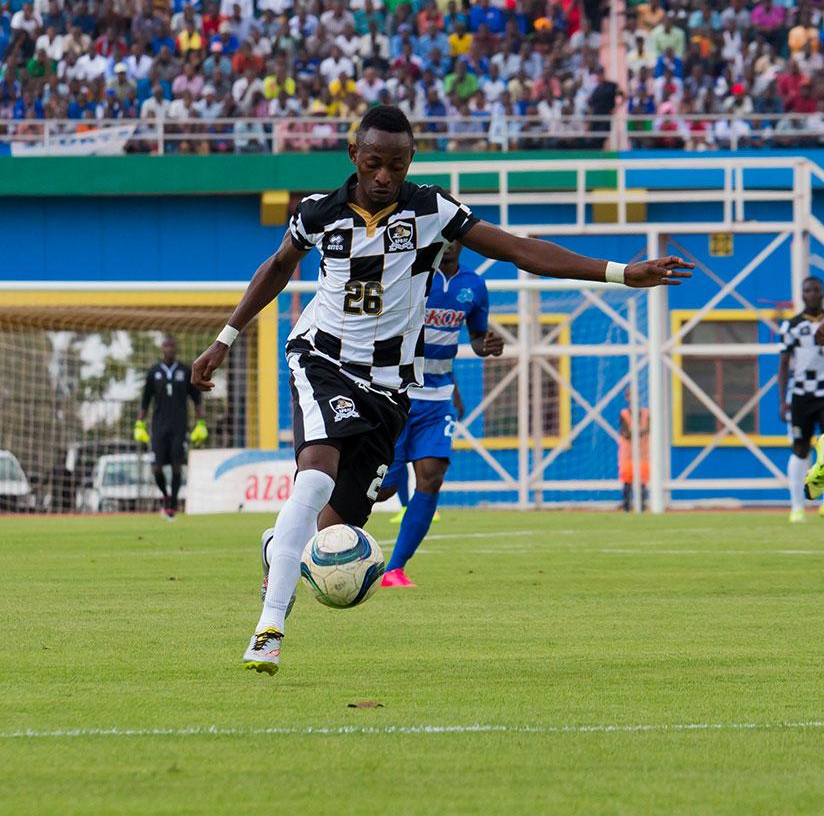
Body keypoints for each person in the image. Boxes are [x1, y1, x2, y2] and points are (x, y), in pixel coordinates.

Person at [190, 105, 693, 675]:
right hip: (322, 359)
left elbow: (516, 248)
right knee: (315, 473)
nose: (384, 176)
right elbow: (277, 267)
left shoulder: (432, 209)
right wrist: (226, 339)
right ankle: (269, 629)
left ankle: (276, 544)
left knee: (334, 531)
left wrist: (620, 273)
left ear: (410, 163)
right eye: (374, 163)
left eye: (397, 165)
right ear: (354, 157)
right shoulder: (318, 212)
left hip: (389, 388)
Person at [377, 241, 504, 587]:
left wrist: (486, 345)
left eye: (452, 239)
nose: (446, 246)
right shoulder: (413, 275)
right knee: (383, 488)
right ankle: (326, 534)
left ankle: (395, 569)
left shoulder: (474, 284)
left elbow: (476, 336)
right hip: (397, 393)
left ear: (462, 241)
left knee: (431, 476)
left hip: (438, 397)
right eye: (440, 238)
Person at [134, 335, 208, 519]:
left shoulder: (184, 370)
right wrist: (139, 424)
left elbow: (196, 399)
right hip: (158, 427)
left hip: (179, 427)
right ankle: (165, 494)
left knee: (176, 467)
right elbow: (145, 401)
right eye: (166, 346)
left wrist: (201, 423)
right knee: (157, 468)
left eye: (171, 346)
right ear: (162, 348)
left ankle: (172, 504)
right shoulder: (154, 372)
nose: (168, 349)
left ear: (176, 348)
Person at [777, 278, 824, 522]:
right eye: (808, 290)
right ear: (803, 295)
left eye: (816, 289)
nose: (812, 294)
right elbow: (784, 364)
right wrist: (782, 401)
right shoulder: (791, 325)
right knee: (800, 449)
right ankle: (797, 507)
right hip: (801, 395)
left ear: (822, 293)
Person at [617, 386, 649, 511]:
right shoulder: (624, 414)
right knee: (628, 481)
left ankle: (642, 506)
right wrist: (640, 432)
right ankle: (626, 506)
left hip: (643, 452)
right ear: (627, 398)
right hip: (627, 454)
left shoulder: (646, 413)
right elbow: (625, 433)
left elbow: (650, 428)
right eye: (630, 396)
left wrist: (637, 433)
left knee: (642, 481)